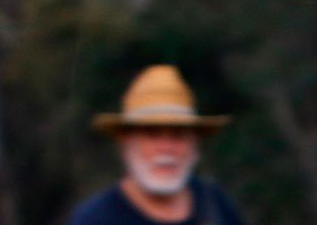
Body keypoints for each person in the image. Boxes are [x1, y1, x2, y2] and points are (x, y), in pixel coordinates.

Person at [70, 65, 246, 225]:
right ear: (126, 143)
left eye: (178, 135)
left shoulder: (214, 203)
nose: (166, 148)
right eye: (152, 134)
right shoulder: (96, 219)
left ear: (194, 145)